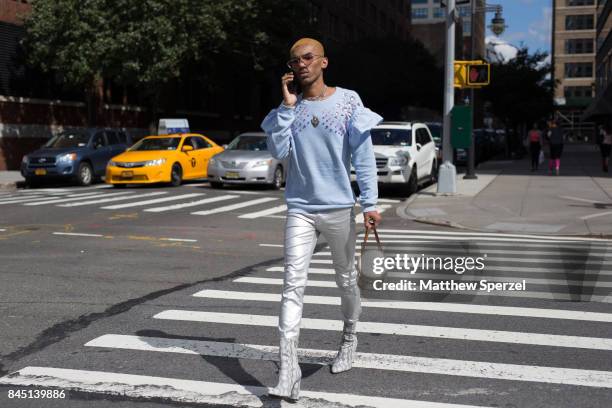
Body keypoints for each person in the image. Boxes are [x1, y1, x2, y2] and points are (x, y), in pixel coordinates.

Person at [261, 37, 382, 401]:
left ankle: (349, 338)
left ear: (324, 62)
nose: (300, 64)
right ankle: (289, 369)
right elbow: (279, 151)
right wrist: (285, 106)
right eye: (294, 60)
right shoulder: (290, 109)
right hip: (299, 207)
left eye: (308, 57)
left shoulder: (348, 102)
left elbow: (363, 158)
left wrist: (371, 204)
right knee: (291, 285)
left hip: (339, 208)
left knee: (346, 281)